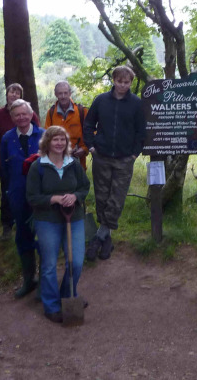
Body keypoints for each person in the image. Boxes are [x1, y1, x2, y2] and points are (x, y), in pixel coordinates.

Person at [26, 126, 90, 323]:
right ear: (47, 142)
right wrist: (54, 199)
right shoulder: (38, 166)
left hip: (75, 218)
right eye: (55, 140)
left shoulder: (74, 164)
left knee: (76, 262)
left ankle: (66, 294)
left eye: (63, 139)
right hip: (48, 221)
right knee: (49, 265)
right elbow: (32, 197)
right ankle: (52, 306)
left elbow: (84, 187)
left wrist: (75, 196)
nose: (59, 143)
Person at [83, 65, 146, 261]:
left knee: (116, 199)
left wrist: (135, 154)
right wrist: (91, 146)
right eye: (119, 81)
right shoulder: (101, 100)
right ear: (113, 80)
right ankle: (106, 239)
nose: (123, 85)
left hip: (124, 159)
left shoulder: (136, 104)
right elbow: (88, 124)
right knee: (102, 197)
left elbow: (141, 131)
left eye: (126, 82)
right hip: (101, 156)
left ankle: (99, 237)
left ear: (131, 82)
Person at [0, 99, 45, 298]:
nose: (21, 117)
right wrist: (9, 191)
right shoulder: (7, 138)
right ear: (12, 117)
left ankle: (46, 283)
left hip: (43, 196)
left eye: (24, 114)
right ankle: (29, 280)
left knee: (45, 237)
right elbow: (4, 168)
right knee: (23, 236)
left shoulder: (44, 135)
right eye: (16, 114)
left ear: (31, 114)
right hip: (18, 195)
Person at [0, 83, 40, 240]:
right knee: (8, 194)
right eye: (12, 91)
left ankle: (36, 227)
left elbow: (38, 136)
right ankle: (8, 227)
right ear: (7, 94)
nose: (14, 94)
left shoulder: (32, 116)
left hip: (33, 164)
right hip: (8, 162)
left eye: (18, 92)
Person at [44, 81, 89, 170]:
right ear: (56, 94)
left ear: (70, 93)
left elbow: (91, 133)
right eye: (60, 93)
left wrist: (84, 149)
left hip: (78, 159)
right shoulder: (51, 113)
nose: (63, 96)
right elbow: (47, 136)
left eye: (65, 93)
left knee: (79, 183)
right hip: (57, 159)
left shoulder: (81, 111)